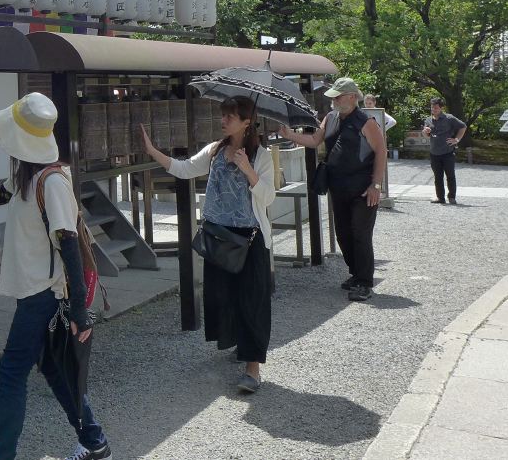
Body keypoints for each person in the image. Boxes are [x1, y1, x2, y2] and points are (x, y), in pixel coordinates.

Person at [0, 92, 111, 460]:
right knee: (54, 369)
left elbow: (69, 244)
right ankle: (94, 441)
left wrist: (78, 312)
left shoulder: (52, 182)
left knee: (10, 373)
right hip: (37, 292)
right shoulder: (27, 174)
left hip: (45, 295)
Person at [140, 95, 275, 393]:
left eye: (230, 116)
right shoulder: (215, 150)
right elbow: (185, 168)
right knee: (221, 298)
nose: (224, 120)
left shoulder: (260, 156)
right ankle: (238, 342)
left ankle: (252, 368)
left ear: (246, 122)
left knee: (253, 301)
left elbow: (268, 198)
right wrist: (153, 152)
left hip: (249, 240)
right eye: (223, 115)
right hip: (218, 237)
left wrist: (248, 170)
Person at [278, 77, 387, 301]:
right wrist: (290, 136)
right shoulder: (330, 118)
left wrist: (376, 185)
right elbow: (315, 140)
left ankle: (364, 281)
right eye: (334, 97)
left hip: (363, 189)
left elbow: (381, 152)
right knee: (343, 234)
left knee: (360, 233)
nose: (334, 100)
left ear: (351, 97)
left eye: (338, 97)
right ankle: (356, 274)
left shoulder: (367, 122)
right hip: (339, 187)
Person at [422, 97, 466, 204]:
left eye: (436, 108)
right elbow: (426, 135)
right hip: (434, 153)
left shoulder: (449, 118)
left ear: (441, 108)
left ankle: (452, 197)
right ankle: (440, 197)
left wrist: (456, 139)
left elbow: (463, 126)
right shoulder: (428, 120)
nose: (434, 110)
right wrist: (424, 131)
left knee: (450, 175)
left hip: (448, 153)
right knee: (438, 177)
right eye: (432, 108)